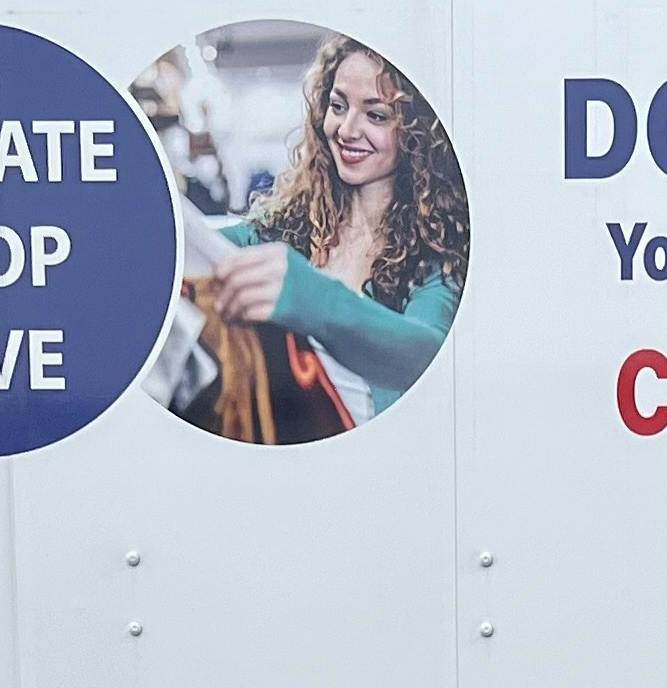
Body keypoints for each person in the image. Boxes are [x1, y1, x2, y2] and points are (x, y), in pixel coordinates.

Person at [196, 34, 468, 428]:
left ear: (417, 133)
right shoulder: (276, 231)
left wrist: (312, 297)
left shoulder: (435, 260)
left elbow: (424, 352)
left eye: (376, 115)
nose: (347, 129)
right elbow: (185, 251)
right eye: (338, 106)